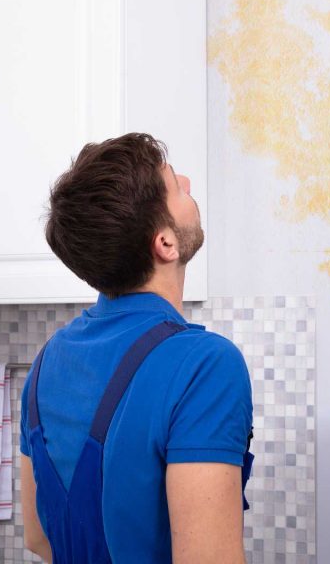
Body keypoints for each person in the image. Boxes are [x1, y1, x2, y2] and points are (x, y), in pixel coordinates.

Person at [19, 133, 253, 563]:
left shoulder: (46, 362)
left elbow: (37, 537)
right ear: (165, 243)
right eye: (175, 186)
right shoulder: (205, 367)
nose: (186, 181)